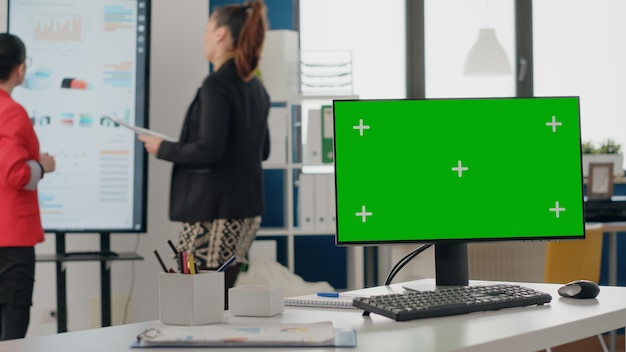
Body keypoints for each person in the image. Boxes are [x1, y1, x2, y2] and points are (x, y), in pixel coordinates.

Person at [139, 1, 270, 308]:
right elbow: (262, 149)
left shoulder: (216, 85)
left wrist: (164, 148)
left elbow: (209, 149)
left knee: (197, 303)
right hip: (246, 211)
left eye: (207, 31)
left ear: (221, 35)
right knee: (218, 299)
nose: (205, 37)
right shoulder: (256, 89)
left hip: (214, 212)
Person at [0, 33, 56, 340]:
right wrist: (41, 165)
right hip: (11, 240)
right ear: (19, 69)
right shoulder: (10, 111)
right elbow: (14, 174)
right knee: (13, 330)